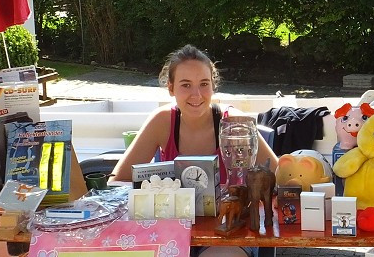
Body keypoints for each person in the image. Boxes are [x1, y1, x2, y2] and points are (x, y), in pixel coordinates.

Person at [110, 44, 278, 184]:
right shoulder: (162, 121)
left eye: (204, 84)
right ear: (171, 88)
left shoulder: (234, 123)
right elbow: (117, 181)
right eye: (186, 85)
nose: (196, 95)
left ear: (213, 86)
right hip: (176, 221)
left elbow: (279, 176)